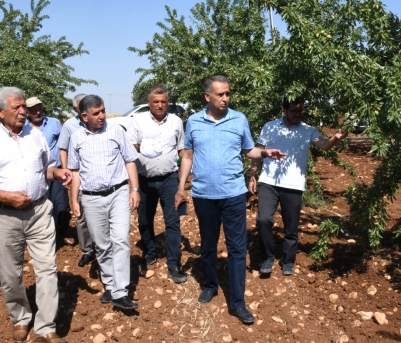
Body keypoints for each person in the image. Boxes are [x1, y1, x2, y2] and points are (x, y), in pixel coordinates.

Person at [0, 87, 72, 343]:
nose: (24, 112)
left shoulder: (35, 135)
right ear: (1, 112)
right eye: (17, 108)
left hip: (39, 211)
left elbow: (47, 167)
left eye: (24, 106)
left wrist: (58, 173)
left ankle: (46, 327)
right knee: (10, 274)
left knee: (47, 269)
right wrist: (7, 197)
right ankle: (21, 317)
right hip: (3, 217)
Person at [174, 76, 286, 325]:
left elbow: (249, 151)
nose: (225, 98)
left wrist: (266, 152)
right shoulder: (193, 121)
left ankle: (237, 302)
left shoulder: (239, 119)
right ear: (207, 97)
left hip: (234, 194)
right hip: (204, 194)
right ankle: (210, 285)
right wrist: (181, 187)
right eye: (220, 94)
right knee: (208, 245)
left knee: (236, 249)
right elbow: (188, 156)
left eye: (227, 94)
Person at [248, 96, 346, 276]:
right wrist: (252, 175)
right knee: (263, 220)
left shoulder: (308, 130)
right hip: (268, 181)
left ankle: (288, 262)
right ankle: (268, 258)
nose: (297, 114)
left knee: (291, 227)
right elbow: (258, 152)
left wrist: (335, 138)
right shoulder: (270, 127)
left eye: (300, 111)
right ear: (284, 111)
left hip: (293, 184)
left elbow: (323, 146)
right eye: (293, 111)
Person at [67, 94, 140, 310]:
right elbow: (75, 171)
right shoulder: (76, 138)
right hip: (90, 198)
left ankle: (121, 291)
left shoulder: (116, 131)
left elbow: (130, 160)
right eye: (96, 113)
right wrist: (74, 199)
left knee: (120, 240)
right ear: (83, 116)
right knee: (102, 245)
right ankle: (109, 284)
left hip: (118, 193)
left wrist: (134, 189)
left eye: (103, 111)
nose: (102, 116)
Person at [126, 86, 186, 283]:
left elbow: (181, 151)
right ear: (149, 103)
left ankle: (174, 263)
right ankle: (149, 253)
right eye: (155, 102)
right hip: (145, 180)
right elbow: (129, 149)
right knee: (144, 219)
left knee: (173, 221)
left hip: (170, 178)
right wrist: (140, 147)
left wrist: (184, 177)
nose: (160, 105)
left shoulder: (176, 121)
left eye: (163, 102)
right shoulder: (137, 121)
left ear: (167, 103)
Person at [25, 96, 75, 246]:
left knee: (61, 203)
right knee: (40, 204)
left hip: (56, 170)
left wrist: (66, 167)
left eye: (39, 108)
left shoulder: (54, 123)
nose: (38, 111)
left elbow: (64, 146)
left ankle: (64, 230)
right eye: (34, 109)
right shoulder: (24, 127)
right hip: (36, 172)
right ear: (27, 112)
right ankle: (44, 234)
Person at [57, 94, 95, 266]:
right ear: (75, 109)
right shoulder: (70, 126)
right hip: (79, 175)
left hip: (98, 176)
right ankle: (88, 250)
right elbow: (63, 148)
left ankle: (103, 249)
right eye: (82, 106)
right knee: (81, 215)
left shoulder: (101, 124)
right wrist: (67, 171)